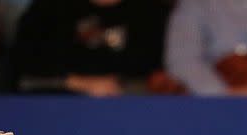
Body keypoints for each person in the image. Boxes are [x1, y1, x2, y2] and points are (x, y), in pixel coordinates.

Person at [13, 0, 170, 96]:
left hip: (130, 112)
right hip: (56, 110)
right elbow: (23, 64)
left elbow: (158, 75)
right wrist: (79, 83)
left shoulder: (151, 12)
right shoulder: (49, 8)